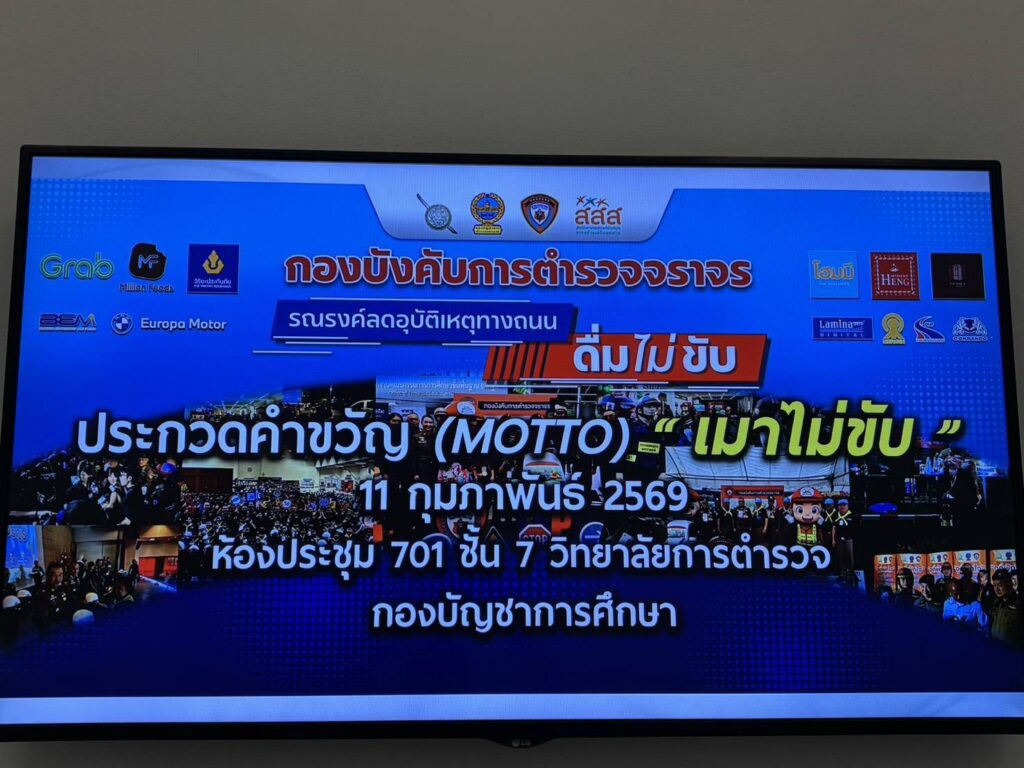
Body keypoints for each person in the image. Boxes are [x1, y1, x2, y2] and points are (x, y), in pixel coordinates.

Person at [989, 569, 1023, 645]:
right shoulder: (996, 603)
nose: (996, 589)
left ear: (1009, 584)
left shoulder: (1018, 604)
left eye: (1000, 585)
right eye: (994, 585)